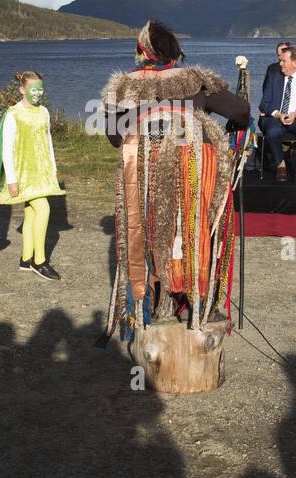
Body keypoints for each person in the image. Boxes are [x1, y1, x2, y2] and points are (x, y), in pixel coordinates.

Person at [100, 19, 248, 339]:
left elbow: (114, 136)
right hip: (190, 179)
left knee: (145, 235)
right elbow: (240, 111)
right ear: (174, 52)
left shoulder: (125, 87)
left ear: (143, 52)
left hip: (142, 180)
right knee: (190, 234)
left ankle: (146, 307)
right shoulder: (194, 81)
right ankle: (195, 302)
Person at [0, 71, 65, 280]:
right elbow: (6, 149)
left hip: (42, 171)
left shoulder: (43, 111)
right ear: (22, 89)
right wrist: (12, 180)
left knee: (31, 212)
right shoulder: (13, 114)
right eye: (33, 90)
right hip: (24, 172)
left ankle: (26, 258)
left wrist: (52, 166)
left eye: (40, 89)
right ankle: (39, 261)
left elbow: (48, 139)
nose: (38, 94)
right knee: (43, 208)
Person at [259, 46, 296, 182]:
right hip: (275, 116)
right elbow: (263, 104)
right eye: (280, 61)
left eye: (284, 61)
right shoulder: (274, 77)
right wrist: (278, 114)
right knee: (272, 132)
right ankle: (281, 165)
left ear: (295, 63)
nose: (280, 64)